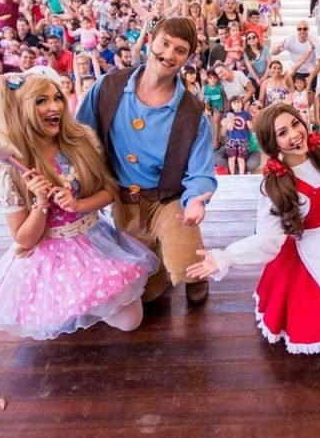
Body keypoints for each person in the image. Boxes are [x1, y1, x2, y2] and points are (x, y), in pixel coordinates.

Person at [187, 104, 320, 354]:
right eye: (282, 133)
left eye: (295, 124)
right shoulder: (275, 184)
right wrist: (227, 257)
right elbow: (267, 238)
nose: (295, 134)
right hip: (303, 254)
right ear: (272, 144)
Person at [0, 73, 159, 339]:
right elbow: (24, 239)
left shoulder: (81, 140)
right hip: (50, 255)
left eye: (57, 98)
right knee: (59, 317)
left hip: (95, 238)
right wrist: (41, 204)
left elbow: (110, 190)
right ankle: (77, 304)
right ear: (21, 109)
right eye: (41, 101)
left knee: (131, 320)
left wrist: (78, 204)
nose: (54, 107)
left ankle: (92, 303)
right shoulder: (8, 172)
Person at [77, 17, 217, 305]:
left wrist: (195, 201)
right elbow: (80, 137)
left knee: (185, 267)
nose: (168, 55)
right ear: (151, 39)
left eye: (180, 50)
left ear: (187, 58)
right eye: (164, 43)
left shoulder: (192, 113)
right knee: (149, 296)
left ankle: (193, 272)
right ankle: (159, 265)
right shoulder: (107, 87)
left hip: (170, 201)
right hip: (126, 203)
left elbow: (201, 171)